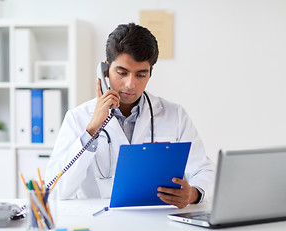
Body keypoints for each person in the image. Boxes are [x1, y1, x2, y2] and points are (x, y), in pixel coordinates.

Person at [45, 23, 214, 209]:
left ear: (150, 73)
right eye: (122, 73)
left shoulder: (174, 115)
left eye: (141, 75)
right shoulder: (78, 118)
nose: (130, 84)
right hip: (101, 224)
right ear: (105, 70)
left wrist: (193, 193)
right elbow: (55, 189)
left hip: (156, 221)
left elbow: (204, 170)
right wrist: (92, 129)